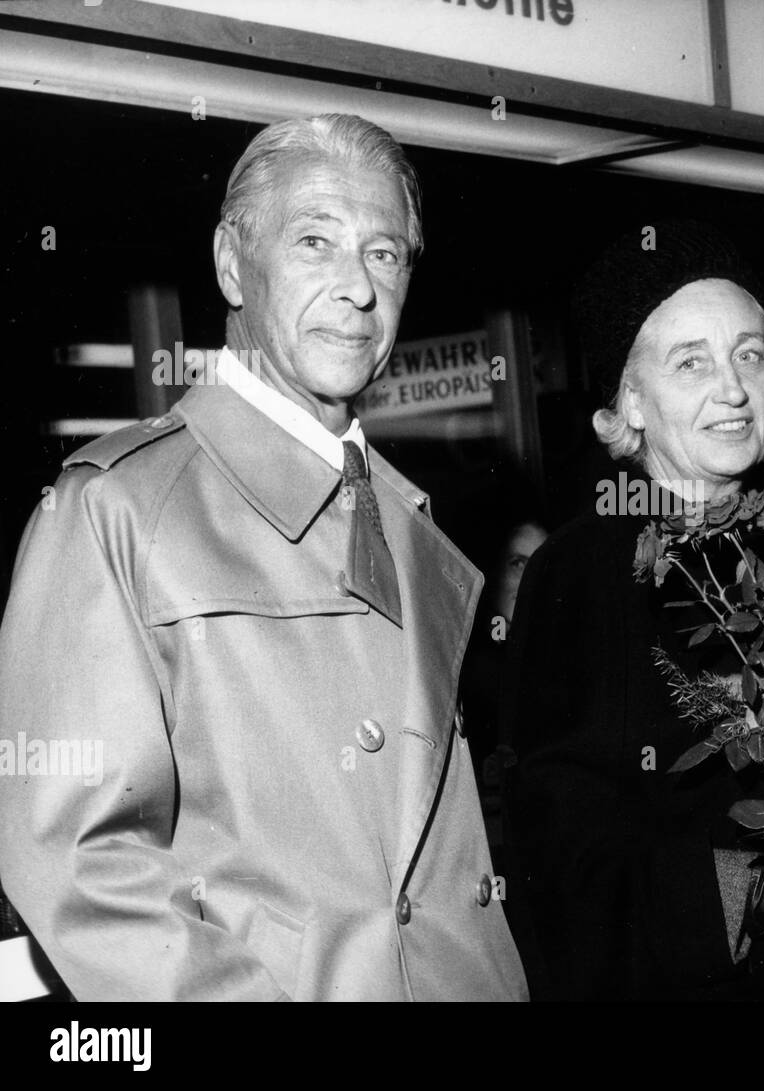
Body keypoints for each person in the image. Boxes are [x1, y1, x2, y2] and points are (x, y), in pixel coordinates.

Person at [0, 114, 526, 1001]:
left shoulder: (409, 518)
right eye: (315, 240)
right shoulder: (114, 506)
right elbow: (83, 864)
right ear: (231, 263)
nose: (358, 288)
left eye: (385, 253)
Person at [500, 220, 764, 1001]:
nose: (732, 388)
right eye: (690, 361)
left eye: (749, 354)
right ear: (628, 402)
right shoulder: (584, 570)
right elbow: (562, 861)